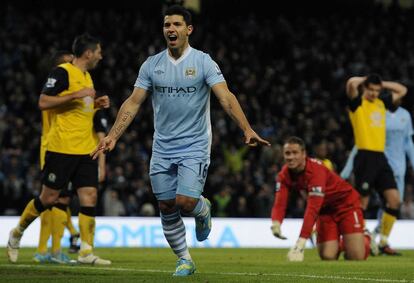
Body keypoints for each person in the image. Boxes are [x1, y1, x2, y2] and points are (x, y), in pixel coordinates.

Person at [91, 5, 270, 276]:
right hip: (162, 146)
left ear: (188, 30)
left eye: (176, 25)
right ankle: (184, 259)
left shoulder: (203, 62)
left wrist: (246, 128)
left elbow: (226, 97)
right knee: (165, 205)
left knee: (185, 202)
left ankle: (201, 207)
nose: (170, 29)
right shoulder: (152, 65)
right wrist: (114, 135)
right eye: (166, 25)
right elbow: (133, 102)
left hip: (195, 144)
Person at [7, 34, 111, 265]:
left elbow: (78, 109)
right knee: (49, 197)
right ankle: (17, 232)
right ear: (88, 53)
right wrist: (75, 94)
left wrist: (95, 105)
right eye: (98, 52)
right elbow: (43, 102)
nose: (101, 56)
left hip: (85, 148)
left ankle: (85, 252)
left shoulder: (87, 76)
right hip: (62, 147)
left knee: (89, 196)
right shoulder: (62, 72)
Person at [271, 136, 369, 261]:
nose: (290, 157)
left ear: (303, 154)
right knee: (328, 256)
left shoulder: (316, 171)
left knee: (355, 256)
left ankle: (364, 237)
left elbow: (312, 208)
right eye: (287, 153)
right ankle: (345, 241)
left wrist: (300, 244)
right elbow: (280, 203)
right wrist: (276, 222)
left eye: (295, 153)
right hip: (325, 211)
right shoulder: (284, 175)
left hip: (346, 204)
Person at [341, 97, 414, 255]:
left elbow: (408, 142)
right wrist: (346, 171)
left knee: (393, 203)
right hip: (375, 164)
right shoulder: (377, 112)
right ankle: (360, 238)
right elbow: (361, 143)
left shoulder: (405, 115)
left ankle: (381, 240)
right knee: (363, 202)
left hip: (398, 169)